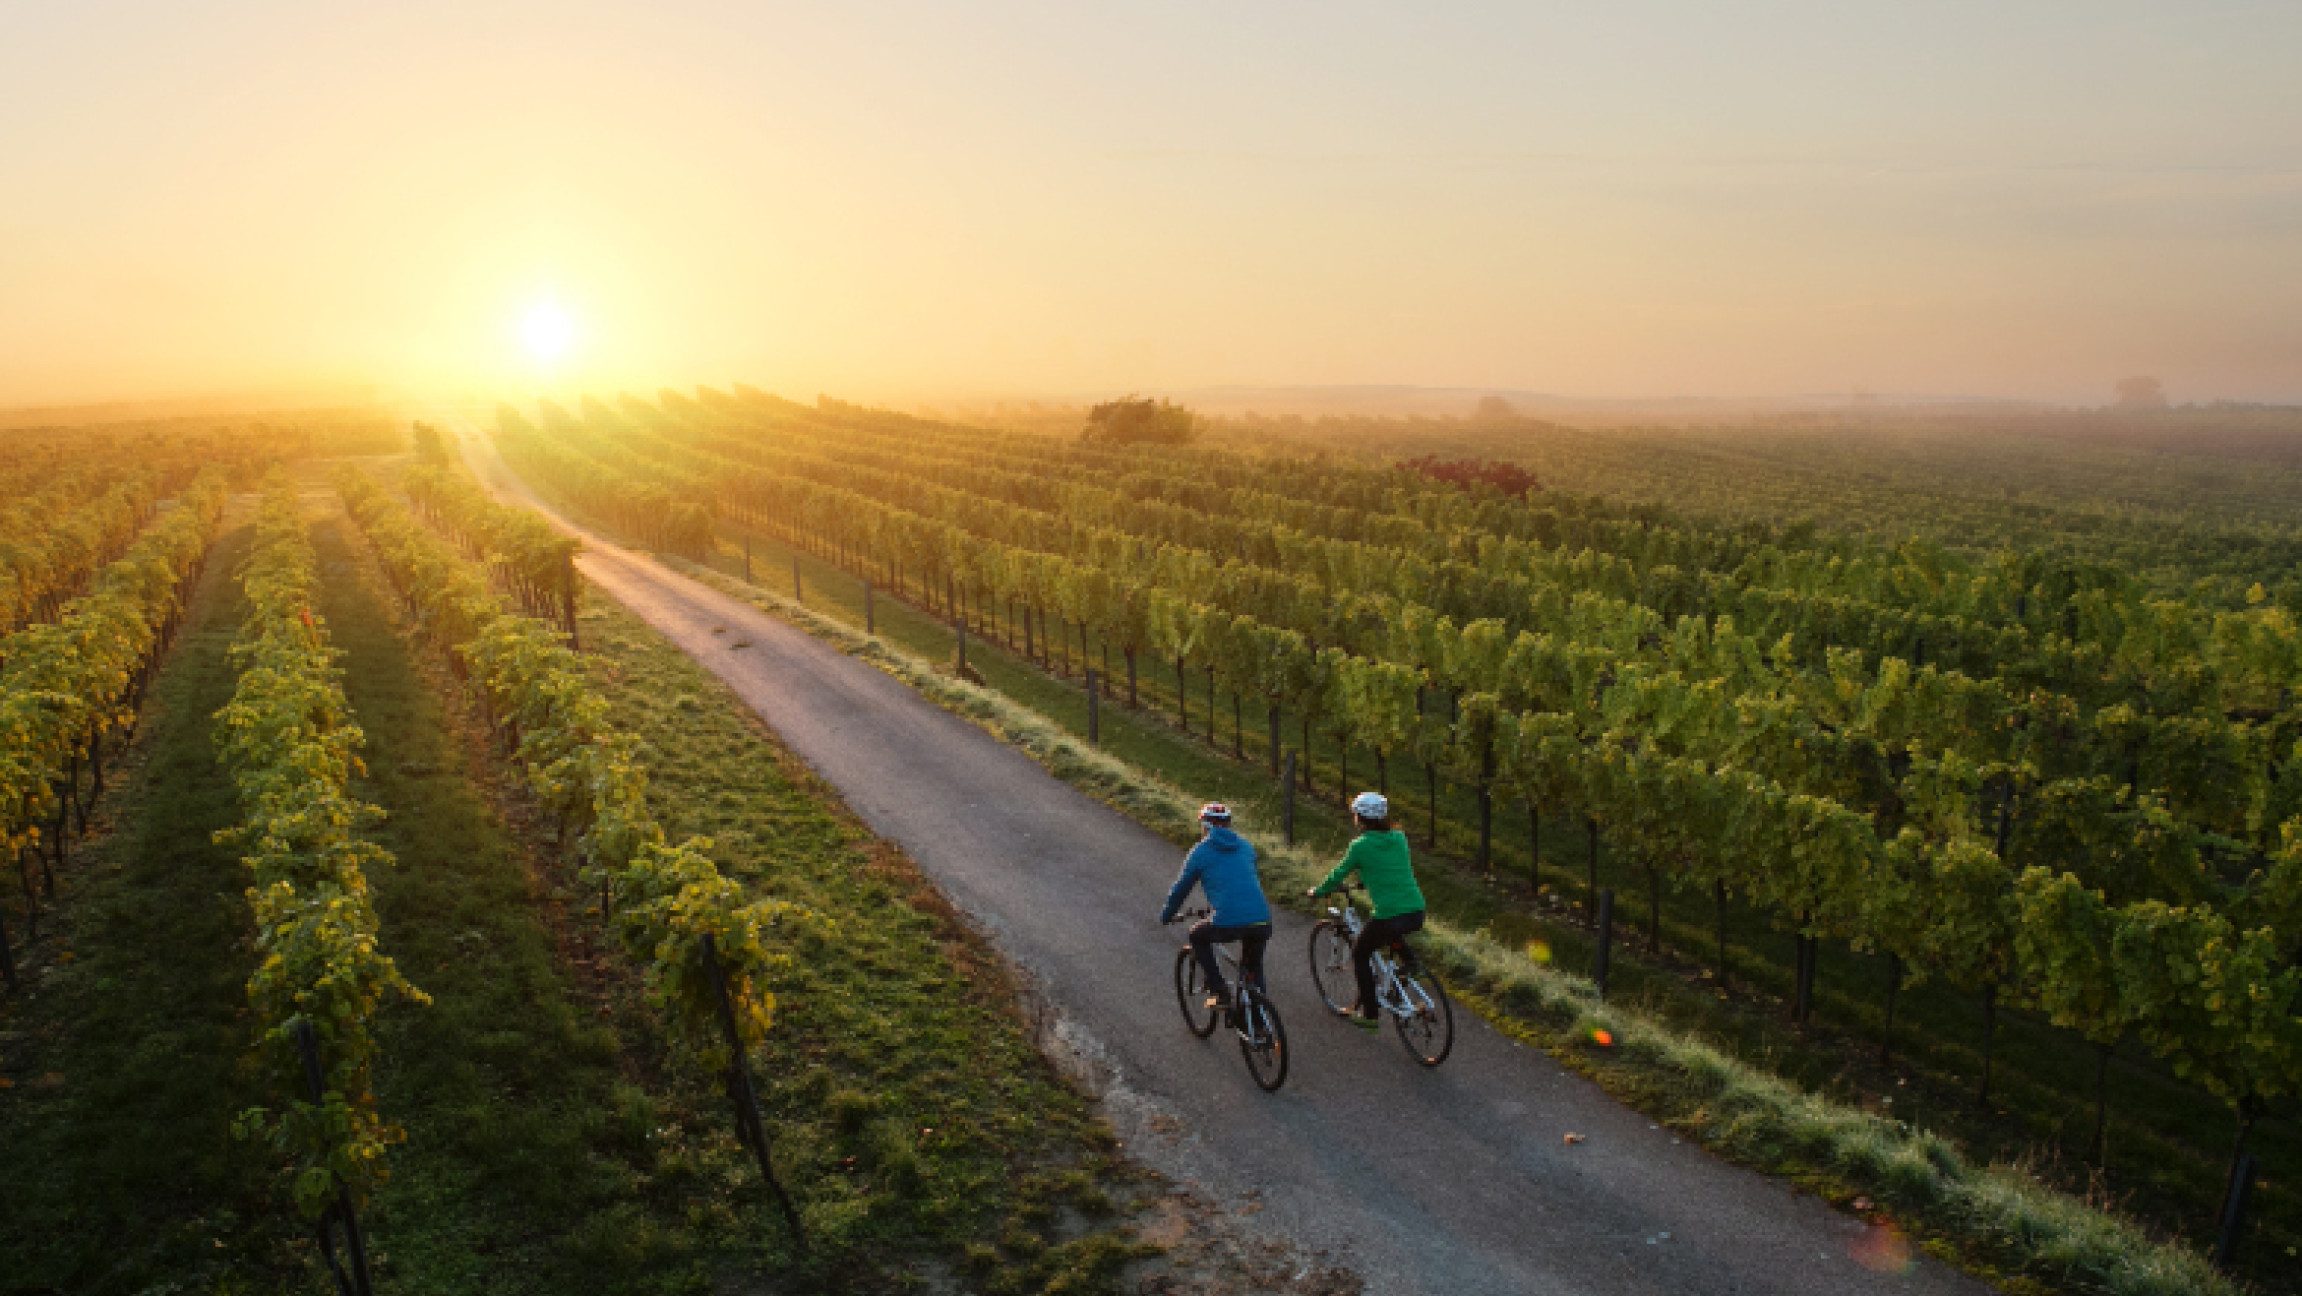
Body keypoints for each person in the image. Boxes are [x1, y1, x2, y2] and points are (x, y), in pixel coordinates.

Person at [1307, 791, 1427, 1030]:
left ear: (1360, 817)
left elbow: (1337, 875)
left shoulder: (1359, 846)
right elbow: (1390, 868)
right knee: (1392, 934)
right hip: (1416, 909)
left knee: (1361, 953)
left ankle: (1370, 1015)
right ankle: (1411, 964)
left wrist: (1318, 892)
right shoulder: (1400, 838)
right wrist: (1365, 879)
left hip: (1389, 914)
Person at [1158, 802, 1273, 1019]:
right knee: (1253, 967)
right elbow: (1240, 881)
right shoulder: (1247, 846)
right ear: (1228, 824)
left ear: (1205, 825)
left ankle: (1220, 990)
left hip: (1228, 920)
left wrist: (1167, 914)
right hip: (1262, 920)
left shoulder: (1200, 852)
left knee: (1196, 935)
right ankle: (1259, 1022)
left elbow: (1181, 889)